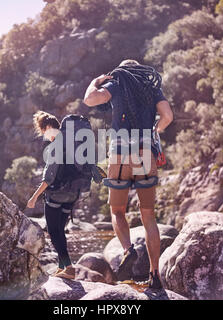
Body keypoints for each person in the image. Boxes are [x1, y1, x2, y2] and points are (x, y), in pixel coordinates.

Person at [83, 59, 174, 289]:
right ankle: (155, 275)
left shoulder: (118, 83)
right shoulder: (151, 88)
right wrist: (156, 130)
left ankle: (128, 249)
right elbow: (168, 116)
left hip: (121, 154)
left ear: (122, 71)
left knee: (117, 210)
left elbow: (89, 99)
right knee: (149, 216)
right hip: (145, 154)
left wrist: (96, 81)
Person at [27, 111, 76, 280]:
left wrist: (33, 198)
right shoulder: (71, 143)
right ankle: (62, 267)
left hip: (57, 195)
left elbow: (48, 179)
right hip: (73, 194)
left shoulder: (55, 147)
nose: (43, 135)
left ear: (48, 127)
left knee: (53, 231)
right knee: (59, 230)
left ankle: (69, 266)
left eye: (42, 131)